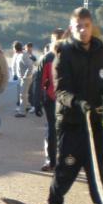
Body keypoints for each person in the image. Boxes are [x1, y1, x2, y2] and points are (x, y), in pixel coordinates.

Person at [45, 8, 103, 204]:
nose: (83, 30)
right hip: (70, 122)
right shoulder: (63, 53)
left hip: (94, 121)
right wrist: (77, 103)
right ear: (72, 28)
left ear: (91, 26)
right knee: (67, 170)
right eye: (79, 26)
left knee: (97, 169)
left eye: (86, 26)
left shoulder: (100, 51)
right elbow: (60, 91)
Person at [37, 28, 65, 172]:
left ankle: (55, 161)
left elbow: (40, 82)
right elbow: (40, 81)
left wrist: (37, 101)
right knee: (56, 130)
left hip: (60, 99)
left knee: (56, 130)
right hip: (55, 99)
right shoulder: (48, 58)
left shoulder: (50, 57)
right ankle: (55, 161)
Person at [14, 42, 35, 117]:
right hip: (23, 77)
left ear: (15, 48)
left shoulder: (23, 55)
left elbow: (30, 66)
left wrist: (26, 75)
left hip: (25, 78)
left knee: (23, 95)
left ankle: (22, 112)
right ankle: (27, 106)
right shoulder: (21, 54)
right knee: (24, 94)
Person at [11, 41, 23, 107]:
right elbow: (13, 65)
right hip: (17, 76)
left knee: (21, 92)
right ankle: (19, 104)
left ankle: (21, 105)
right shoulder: (15, 55)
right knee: (19, 91)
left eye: (13, 47)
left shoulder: (22, 55)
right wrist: (14, 74)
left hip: (21, 76)